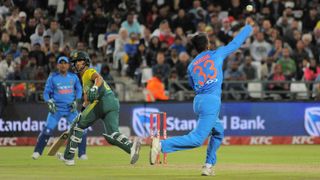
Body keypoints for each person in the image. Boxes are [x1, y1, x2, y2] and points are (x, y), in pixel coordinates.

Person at [150, 17, 255, 176]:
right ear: (207, 45)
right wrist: (248, 28)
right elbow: (235, 44)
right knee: (197, 139)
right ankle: (161, 145)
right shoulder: (217, 54)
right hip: (211, 101)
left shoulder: (192, 65)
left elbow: (192, 85)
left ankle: (208, 165)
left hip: (198, 101)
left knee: (218, 132)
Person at [57, 51, 141, 166]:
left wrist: (95, 88)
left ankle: (69, 158)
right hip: (113, 102)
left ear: (85, 62)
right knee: (112, 136)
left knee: (78, 125)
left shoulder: (88, 71)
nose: (76, 64)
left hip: (101, 102)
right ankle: (132, 147)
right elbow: (86, 100)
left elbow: (99, 78)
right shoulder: (83, 78)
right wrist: (81, 112)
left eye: (79, 61)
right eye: (75, 62)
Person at [32, 56, 87, 160]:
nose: (63, 65)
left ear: (68, 65)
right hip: (56, 109)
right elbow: (46, 93)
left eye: (65, 63)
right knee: (47, 130)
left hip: (71, 109)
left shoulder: (73, 77)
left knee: (81, 129)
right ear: (57, 65)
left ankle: (82, 154)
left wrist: (77, 100)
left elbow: (79, 90)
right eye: (60, 63)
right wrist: (49, 101)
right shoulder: (53, 77)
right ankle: (37, 152)